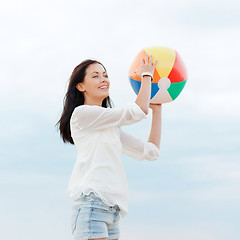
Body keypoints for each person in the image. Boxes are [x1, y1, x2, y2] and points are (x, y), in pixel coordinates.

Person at [56, 53, 162, 240]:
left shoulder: (110, 127)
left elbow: (151, 152)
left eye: (105, 75)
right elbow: (136, 112)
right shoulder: (81, 115)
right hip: (92, 205)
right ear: (80, 86)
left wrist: (158, 111)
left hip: (112, 210)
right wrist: (147, 75)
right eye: (95, 76)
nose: (103, 79)